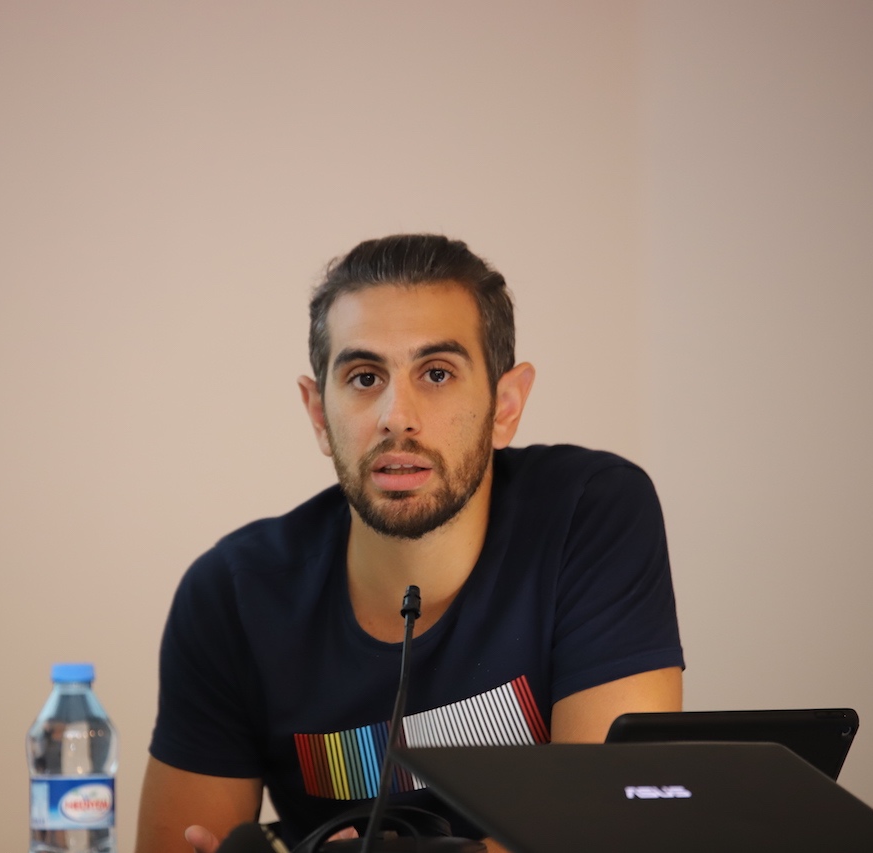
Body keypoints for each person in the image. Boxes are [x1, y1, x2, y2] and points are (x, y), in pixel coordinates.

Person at [136, 235, 684, 853]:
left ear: (505, 407)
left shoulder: (590, 512)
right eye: (365, 377)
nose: (397, 415)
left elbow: (611, 823)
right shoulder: (233, 594)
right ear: (319, 414)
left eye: (438, 373)